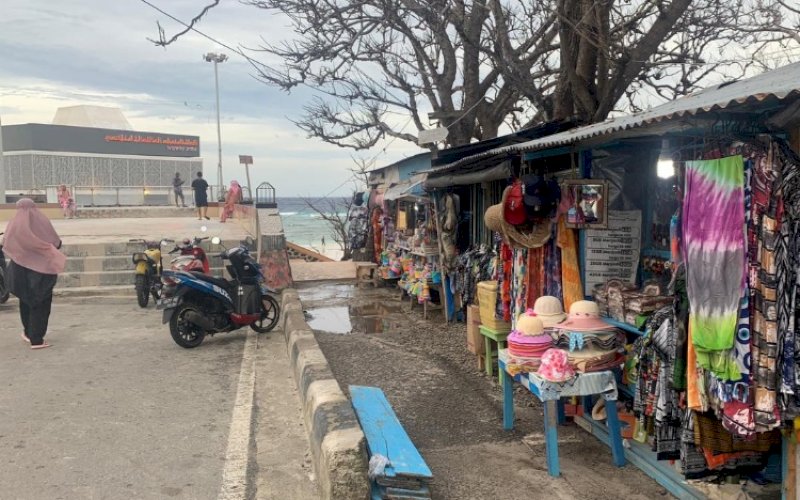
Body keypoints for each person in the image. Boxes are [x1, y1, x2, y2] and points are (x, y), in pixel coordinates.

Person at [3, 198, 66, 349]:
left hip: (20, 270)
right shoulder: (41, 220)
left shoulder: (14, 223)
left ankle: (28, 333)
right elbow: (57, 243)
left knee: (25, 301)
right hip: (41, 271)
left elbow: (5, 243)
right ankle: (37, 339)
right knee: (41, 303)